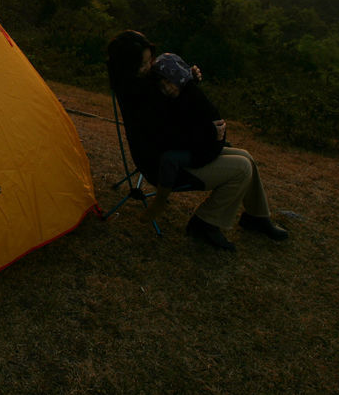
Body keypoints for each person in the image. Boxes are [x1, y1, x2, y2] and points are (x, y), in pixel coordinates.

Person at [107, 30, 288, 251]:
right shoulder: (141, 96)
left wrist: (187, 77)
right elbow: (169, 136)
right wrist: (210, 135)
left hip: (178, 149)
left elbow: (178, 106)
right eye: (144, 64)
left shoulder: (142, 81)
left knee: (246, 157)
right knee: (241, 168)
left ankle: (257, 216)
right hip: (164, 162)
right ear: (128, 67)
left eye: (150, 59)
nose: (151, 66)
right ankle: (205, 223)